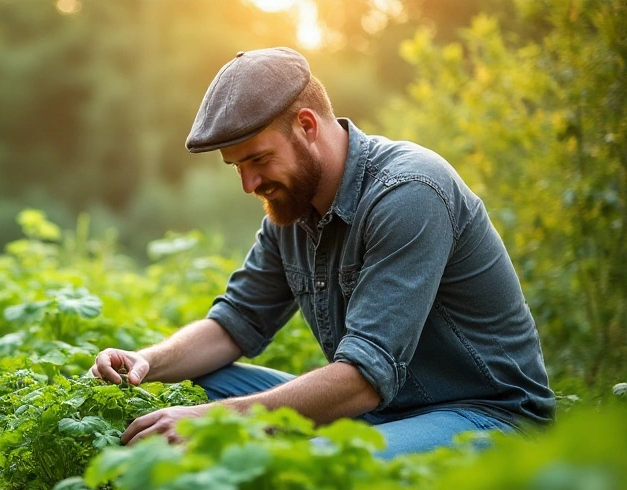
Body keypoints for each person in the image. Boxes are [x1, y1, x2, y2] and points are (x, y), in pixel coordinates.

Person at [91, 47, 554, 459]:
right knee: (192, 387)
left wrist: (214, 419)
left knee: (302, 467)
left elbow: (363, 378)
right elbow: (236, 322)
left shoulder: (409, 193)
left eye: (257, 159)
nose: (249, 184)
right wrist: (149, 361)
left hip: (486, 416)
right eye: (236, 167)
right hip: (380, 415)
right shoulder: (292, 207)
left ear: (307, 126)